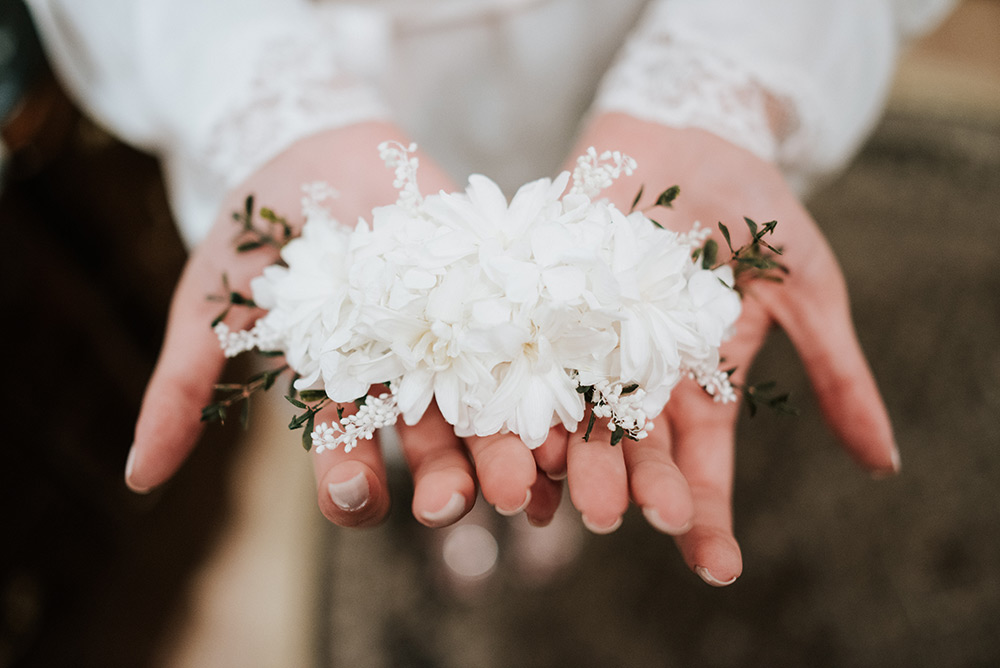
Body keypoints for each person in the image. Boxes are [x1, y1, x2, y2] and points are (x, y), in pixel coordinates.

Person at [24, 0, 955, 587]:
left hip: (608, 39)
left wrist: (714, 87)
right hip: (317, 50)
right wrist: (271, 106)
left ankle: (526, 495)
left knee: (563, 403)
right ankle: (438, 485)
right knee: (378, 378)